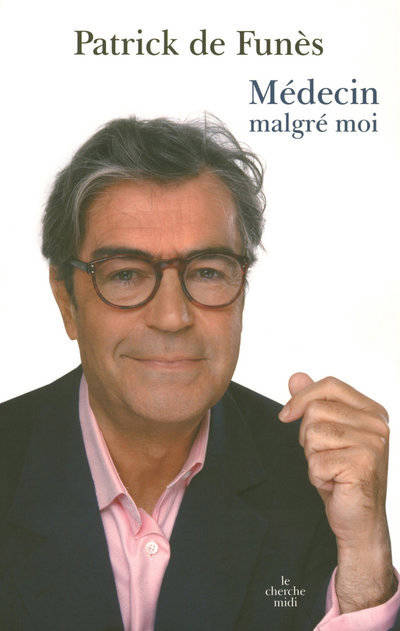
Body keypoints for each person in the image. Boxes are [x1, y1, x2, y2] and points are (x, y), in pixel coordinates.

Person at [1, 115, 399, 631]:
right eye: (126, 274)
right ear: (66, 301)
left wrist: (366, 555)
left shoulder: (317, 479)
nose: (173, 317)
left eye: (208, 271)